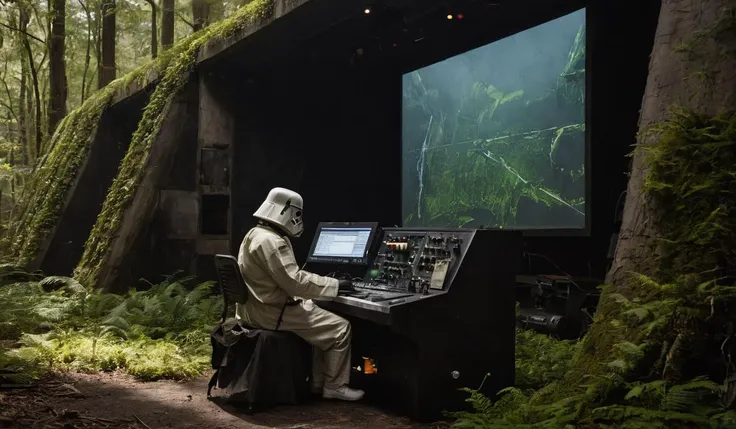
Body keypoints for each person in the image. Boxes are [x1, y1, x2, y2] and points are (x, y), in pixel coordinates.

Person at [236, 187, 365, 402]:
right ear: (288, 212)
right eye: (297, 214)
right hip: (272, 313)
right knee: (340, 329)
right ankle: (335, 386)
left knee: (315, 315)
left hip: (254, 309)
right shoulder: (272, 242)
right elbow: (295, 282)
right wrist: (335, 284)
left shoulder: (255, 234)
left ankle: (317, 383)